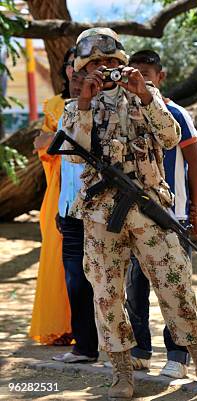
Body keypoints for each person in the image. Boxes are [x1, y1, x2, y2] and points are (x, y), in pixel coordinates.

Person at [62, 27, 197, 399]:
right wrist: (84, 102)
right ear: (83, 68)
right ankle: (121, 371)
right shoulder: (76, 106)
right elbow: (71, 153)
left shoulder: (146, 96)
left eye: (112, 62)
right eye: (97, 63)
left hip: (148, 208)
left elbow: (169, 137)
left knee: (175, 283)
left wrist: (145, 96)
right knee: (107, 294)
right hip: (101, 214)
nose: (106, 69)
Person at [121, 49, 197, 378]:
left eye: (147, 74)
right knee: (135, 287)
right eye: (134, 73)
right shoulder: (123, 114)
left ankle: (178, 356)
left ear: (160, 77)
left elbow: (195, 163)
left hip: (173, 216)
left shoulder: (176, 114)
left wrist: (194, 208)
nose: (140, 79)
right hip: (133, 216)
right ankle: (141, 350)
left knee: (175, 288)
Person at [52, 68, 101, 364]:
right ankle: (84, 347)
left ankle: (129, 350)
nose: (78, 87)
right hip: (69, 211)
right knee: (75, 281)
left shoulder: (103, 113)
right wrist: (61, 205)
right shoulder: (67, 114)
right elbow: (64, 166)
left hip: (99, 211)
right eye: (74, 81)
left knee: (107, 283)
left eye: (84, 81)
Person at [29, 47, 75, 346]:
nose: (75, 69)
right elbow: (41, 143)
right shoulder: (55, 104)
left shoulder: (103, 103)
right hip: (58, 191)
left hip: (90, 189)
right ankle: (59, 328)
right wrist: (65, 132)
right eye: (70, 64)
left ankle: (89, 330)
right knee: (56, 259)